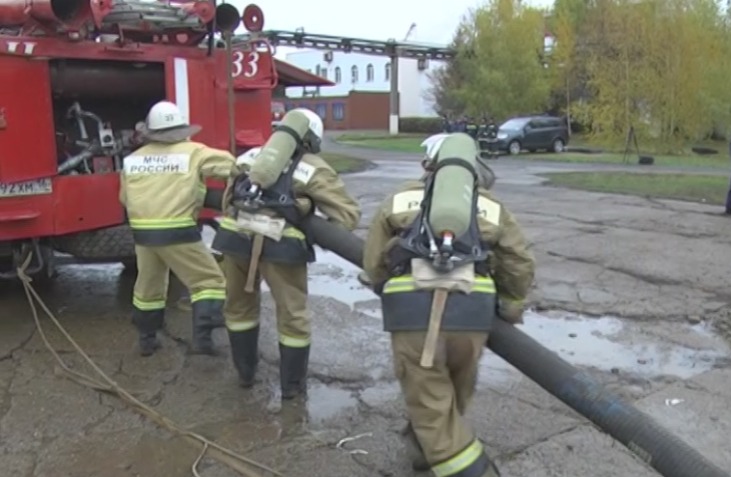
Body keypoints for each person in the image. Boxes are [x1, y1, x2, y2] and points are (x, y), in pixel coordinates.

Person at [362, 133, 535, 477]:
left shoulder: (399, 199)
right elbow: (518, 262)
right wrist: (512, 304)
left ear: (429, 165)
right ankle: (421, 452)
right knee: (450, 396)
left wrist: (384, 285)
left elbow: (373, 263)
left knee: (431, 404)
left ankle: (469, 467)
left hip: (412, 316)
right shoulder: (491, 206)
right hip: (472, 316)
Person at [212, 108, 361, 397]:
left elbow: (229, 200)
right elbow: (347, 215)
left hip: (234, 239)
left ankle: (245, 374)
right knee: (293, 316)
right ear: (312, 139)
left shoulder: (250, 157)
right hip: (281, 248)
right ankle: (292, 389)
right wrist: (313, 226)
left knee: (239, 308)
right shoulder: (313, 167)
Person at [119, 100, 238, 357]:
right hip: (178, 230)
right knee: (209, 281)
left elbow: (123, 199)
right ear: (181, 129)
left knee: (149, 286)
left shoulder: (132, 160)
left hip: (143, 233)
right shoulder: (195, 152)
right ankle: (203, 341)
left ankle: (147, 340)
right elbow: (233, 167)